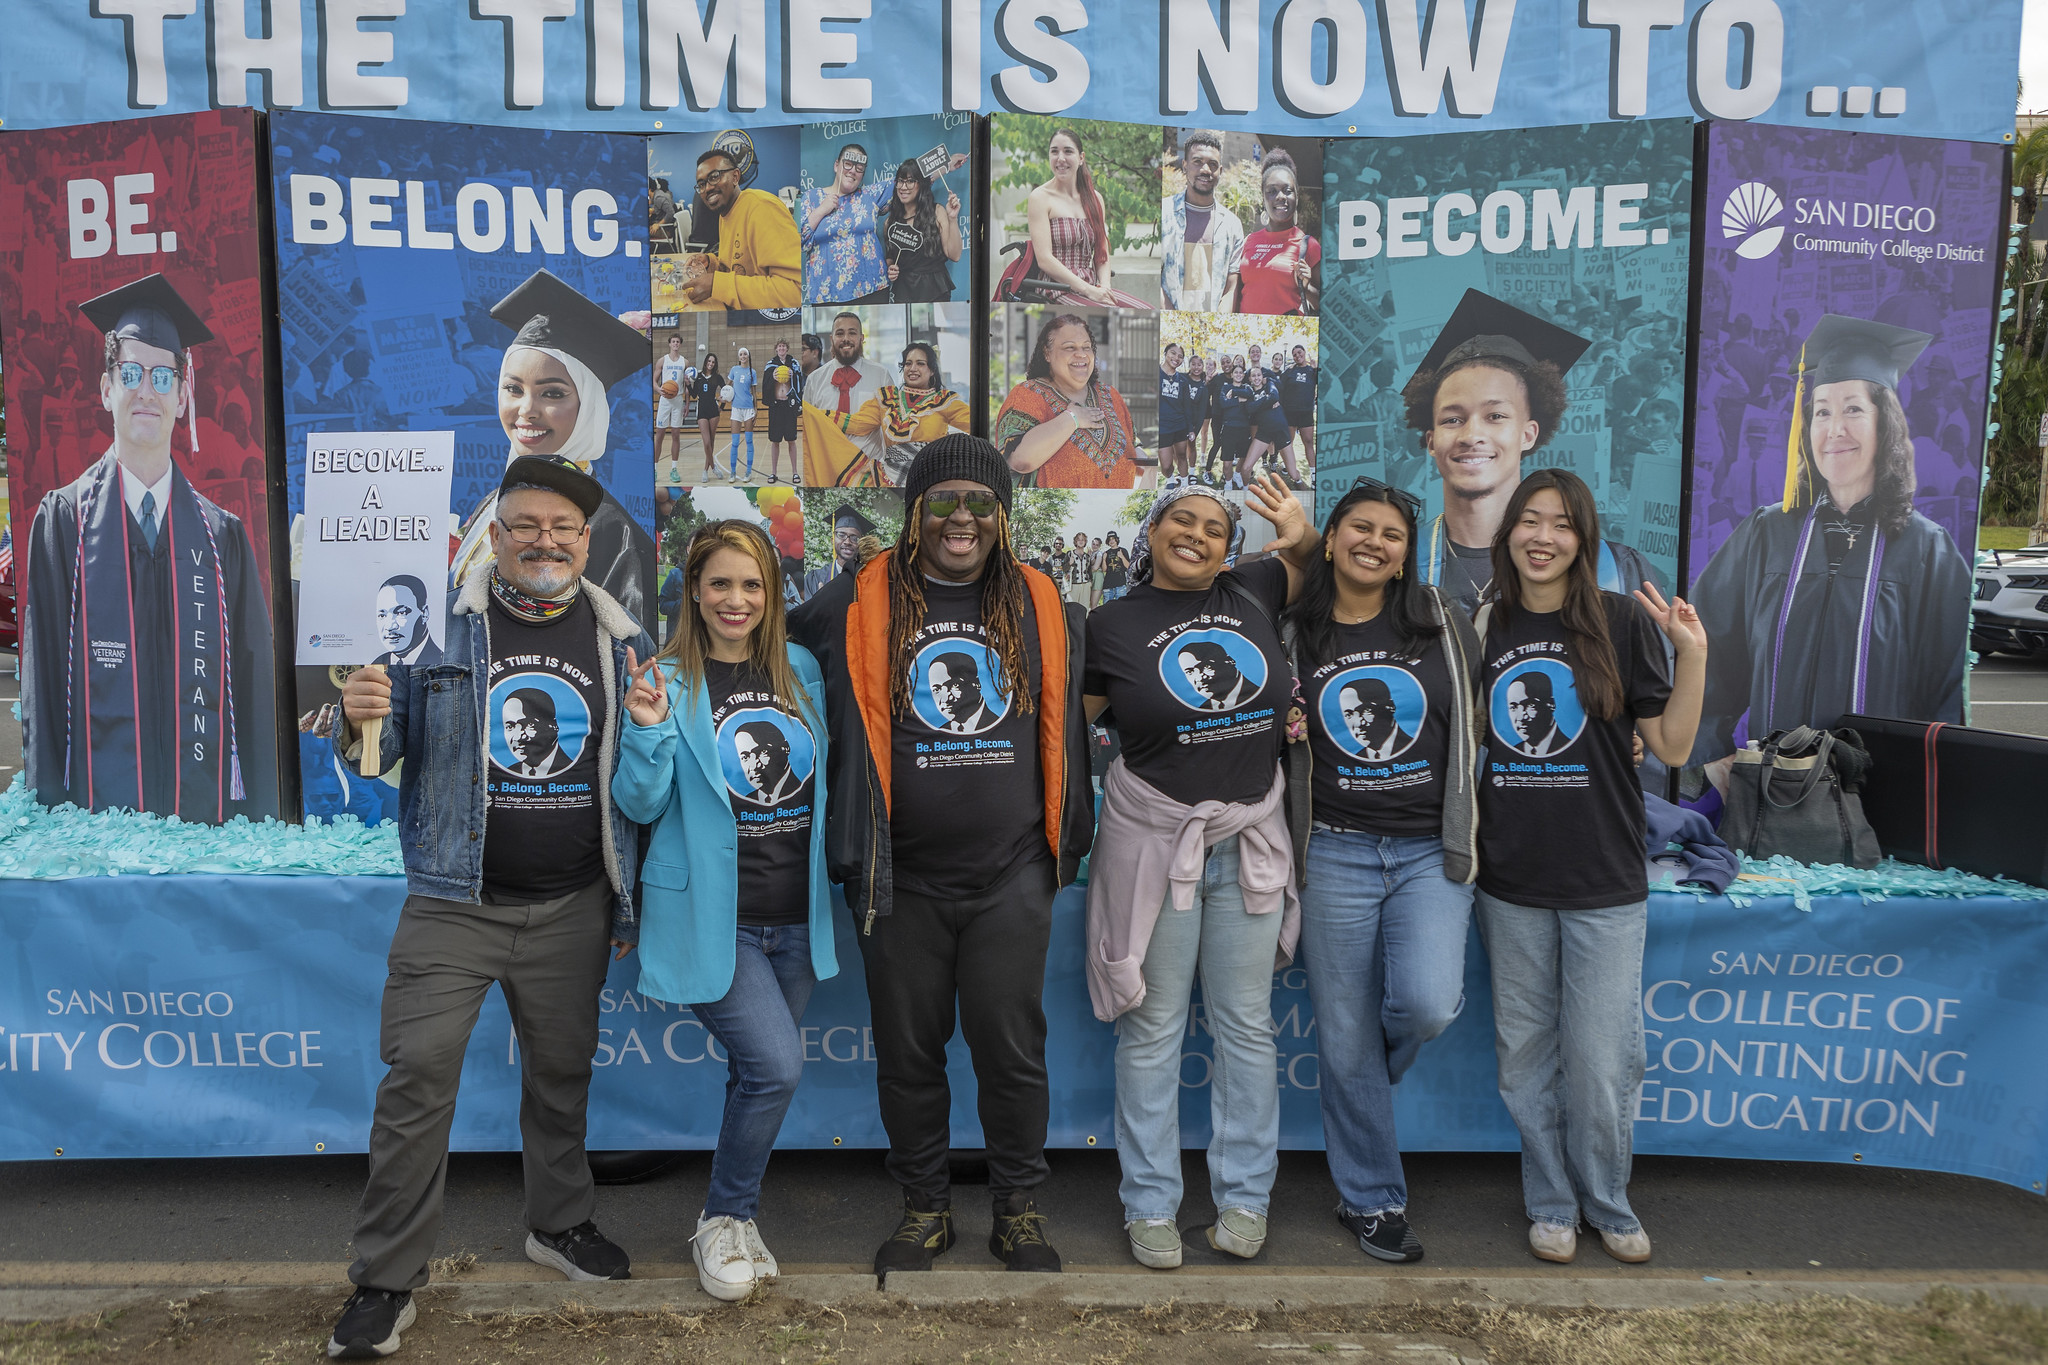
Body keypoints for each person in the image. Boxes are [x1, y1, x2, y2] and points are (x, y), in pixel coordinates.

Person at [325, 457, 652, 1360]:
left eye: (564, 528)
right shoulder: (436, 631)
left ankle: (560, 1223)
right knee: (417, 1076)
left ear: (586, 541)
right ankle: (386, 1280)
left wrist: (627, 902)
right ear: (494, 535)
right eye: (526, 526)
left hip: (575, 903)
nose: (545, 541)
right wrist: (358, 713)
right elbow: (379, 753)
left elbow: (638, 774)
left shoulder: (620, 636)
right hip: (453, 902)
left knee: (562, 1077)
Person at [788, 437, 1094, 1275]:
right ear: (916, 511)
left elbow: (1097, 703)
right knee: (909, 1053)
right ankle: (925, 1208)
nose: (964, 518)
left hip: (1011, 876)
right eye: (945, 501)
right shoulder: (859, 594)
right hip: (899, 876)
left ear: (1002, 515)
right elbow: (762, 655)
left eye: (981, 502)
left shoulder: (1041, 600)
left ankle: (1017, 1211)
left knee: (1010, 1051)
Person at [1081, 476, 1317, 1270]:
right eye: (1181, 520)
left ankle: (1245, 1198)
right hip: (1153, 843)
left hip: (1249, 840)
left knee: (1246, 1025)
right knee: (1151, 1027)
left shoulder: (1253, 585)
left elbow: (1312, 562)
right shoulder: (1109, 624)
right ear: (1152, 530)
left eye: (1215, 527)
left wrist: (1297, 528)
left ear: (1231, 546)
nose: (1197, 535)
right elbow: (1065, 727)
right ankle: (1149, 1205)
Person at [1473, 469, 1705, 1268]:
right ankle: (1551, 1201)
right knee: (1526, 1057)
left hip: (1605, 878)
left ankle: (1608, 1198)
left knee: (1604, 1058)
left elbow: (1670, 747)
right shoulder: (1482, 627)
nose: (1542, 536)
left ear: (1584, 537)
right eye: (1528, 520)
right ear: (1507, 535)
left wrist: (1693, 653)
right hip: (1509, 879)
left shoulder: (1616, 622)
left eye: (1561, 523)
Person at [611, 519, 834, 1303]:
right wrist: (643, 731)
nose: (735, 599)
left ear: (771, 592)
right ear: (694, 592)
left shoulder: (801, 669)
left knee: (755, 1072)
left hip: (796, 918)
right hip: (714, 917)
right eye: (719, 584)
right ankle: (722, 1217)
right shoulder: (667, 677)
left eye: (751, 584)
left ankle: (737, 1220)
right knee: (776, 1065)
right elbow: (640, 803)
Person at [1281, 477, 1483, 1265]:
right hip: (1333, 848)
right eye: (1359, 527)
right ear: (1330, 539)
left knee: (1425, 1003)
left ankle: (1367, 1069)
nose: (1375, 541)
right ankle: (1372, 1198)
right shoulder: (1295, 631)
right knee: (1343, 1032)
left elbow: (1479, 719)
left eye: (1392, 533)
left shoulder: (1443, 623)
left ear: (1406, 553)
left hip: (1431, 850)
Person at [21, 272, 278, 821]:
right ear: (106, 388)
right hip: (95, 847)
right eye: (131, 372)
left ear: (184, 397)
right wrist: (52, 838)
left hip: (204, 836)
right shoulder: (64, 523)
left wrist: (258, 829)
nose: (146, 391)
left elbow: (252, 705)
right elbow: (42, 699)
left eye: (163, 376)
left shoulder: (222, 538)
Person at [1687, 314, 1970, 765]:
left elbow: (1944, 699)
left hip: (1878, 807)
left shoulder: (1927, 550)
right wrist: (1710, 762)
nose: (1834, 428)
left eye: (1853, 408)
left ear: (1886, 422)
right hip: (1771, 801)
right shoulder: (1767, 533)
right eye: (1822, 411)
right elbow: (1707, 661)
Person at [1401, 290, 1663, 617]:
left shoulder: (1611, 571)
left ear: (1528, 434)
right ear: (1431, 441)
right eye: (1452, 419)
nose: (1471, 435)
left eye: (1495, 416)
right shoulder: (1398, 568)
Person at [448, 270, 659, 633]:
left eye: (553, 393)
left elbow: (622, 660)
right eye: (513, 389)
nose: (526, 409)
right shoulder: (492, 503)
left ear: (589, 406)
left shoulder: (609, 528)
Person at [994, 313, 1139, 488]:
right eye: (1070, 348)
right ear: (1047, 353)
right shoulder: (1028, 394)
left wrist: (1144, 459)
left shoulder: (1111, 395)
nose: (1081, 354)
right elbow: (1019, 461)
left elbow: (1133, 443)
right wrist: (1072, 419)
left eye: (1087, 347)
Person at [1022, 128, 1151, 308]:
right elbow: (1044, 259)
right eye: (1054, 151)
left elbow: (1102, 254)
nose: (1060, 158)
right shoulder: (1040, 198)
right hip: (1056, 288)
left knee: (1146, 310)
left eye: (1068, 151)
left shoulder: (1095, 198)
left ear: (1081, 158)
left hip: (1092, 286)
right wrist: (1089, 291)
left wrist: (1104, 288)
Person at [682, 148, 802, 312]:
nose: (707, 188)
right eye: (702, 184)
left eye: (714, 177)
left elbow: (795, 292)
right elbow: (739, 268)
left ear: (735, 177)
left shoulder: (762, 207)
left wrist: (717, 284)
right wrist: (711, 263)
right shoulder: (725, 213)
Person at [841, 341, 973, 488]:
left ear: (932, 370)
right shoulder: (887, 398)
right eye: (908, 364)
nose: (913, 369)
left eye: (920, 363)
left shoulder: (944, 401)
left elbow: (974, 425)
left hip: (930, 477)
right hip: (888, 478)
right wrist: (815, 416)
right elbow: (857, 424)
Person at [1162, 130, 1242, 312]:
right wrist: (1173, 321)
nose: (1205, 170)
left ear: (1220, 171)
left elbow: (1231, 288)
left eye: (1212, 164)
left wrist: (1217, 327)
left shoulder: (1232, 224)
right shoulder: (1164, 212)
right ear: (1185, 165)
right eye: (1197, 162)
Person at [804, 311, 896, 470]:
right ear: (831, 340)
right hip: (826, 470)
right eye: (840, 333)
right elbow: (807, 431)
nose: (846, 338)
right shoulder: (814, 380)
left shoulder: (881, 375)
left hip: (868, 471)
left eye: (852, 333)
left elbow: (893, 427)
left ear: (862, 338)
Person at [1234, 150, 1320, 316]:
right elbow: (1236, 295)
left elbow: (1328, 306)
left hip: (1286, 338)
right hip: (1246, 337)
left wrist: (1306, 287)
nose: (1280, 196)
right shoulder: (1248, 241)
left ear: (1297, 196)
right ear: (1263, 198)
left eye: (1287, 190)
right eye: (1272, 191)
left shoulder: (1308, 245)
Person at [884, 159, 966, 303]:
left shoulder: (937, 212)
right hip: (903, 290)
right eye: (900, 181)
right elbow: (890, 257)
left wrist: (952, 219)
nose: (903, 187)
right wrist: (891, 268)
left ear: (920, 185)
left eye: (910, 181)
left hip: (935, 289)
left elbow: (955, 255)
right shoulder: (890, 223)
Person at [1237, 366, 1301, 489]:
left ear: (1262, 377)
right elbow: (1250, 408)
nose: (1256, 378)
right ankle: (1245, 491)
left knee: (1293, 474)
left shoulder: (1269, 384)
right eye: (1253, 375)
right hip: (1264, 433)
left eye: (1259, 375)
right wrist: (1267, 401)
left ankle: (1299, 482)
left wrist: (1259, 404)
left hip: (1280, 431)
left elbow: (1275, 397)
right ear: (1249, 378)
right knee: (1245, 468)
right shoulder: (1249, 393)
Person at [802, 504, 875, 600]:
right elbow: (807, 613)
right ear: (833, 540)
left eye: (854, 538)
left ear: (860, 543)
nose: (847, 542)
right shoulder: (815, 578)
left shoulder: (868, 579)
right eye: (841, 535)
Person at [372, 575, 442, 668]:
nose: (390, 626)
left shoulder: (443, 661)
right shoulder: (375, 663)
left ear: (424, 614)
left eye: (401, 613)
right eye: (382, 615)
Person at [762, 340, 804, 484]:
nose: (781, 348)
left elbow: (800, 380)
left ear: (787, 349)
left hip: (789, 405)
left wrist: (794, 375)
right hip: (776, 406)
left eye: (784, 346)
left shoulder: (794, 363)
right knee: (775, 441)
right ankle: (773, 473)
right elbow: (765, 383)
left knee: (791, 440)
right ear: (776, 349)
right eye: (779, 346)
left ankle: (795, 472)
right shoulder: (770, 364)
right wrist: (772, 378)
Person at [656, 334, 695, 484]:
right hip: (665, 399)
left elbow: (687, 386)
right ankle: (654, 469)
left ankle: (674, 469)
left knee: (675, 435)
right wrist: (658, 390)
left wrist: (687, 404)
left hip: (678, 399)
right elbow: (653, 381)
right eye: (673, 342)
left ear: (680, 344)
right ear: (669, 344)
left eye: (678, 342)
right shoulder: (662, 360)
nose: (675, 344)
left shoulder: (685, 362)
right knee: (659, 435)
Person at [1158, 344, 1196, 483]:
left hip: (1180, 425)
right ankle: (1171, 479)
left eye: (1180, 356)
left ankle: (1184, 484)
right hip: (1162, 428)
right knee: (1166, 466)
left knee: (1181, 455)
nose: (1176, 358)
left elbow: (1187, 407)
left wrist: (1190, 428)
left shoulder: (1183, 381)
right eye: (1173, 353)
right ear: (1165, 353)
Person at [1280, 343, 1318, 475]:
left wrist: (1316, 369)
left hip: (1306, 413)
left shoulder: (1312, 370)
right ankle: (1287, 465)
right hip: (1290, 413)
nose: (1297, 356)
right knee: (1288, 442)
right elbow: (1280, 386)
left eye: (1299, 352)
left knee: (1308, 442)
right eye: (1294, 354)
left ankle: (1313, 473)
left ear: (1304, 352)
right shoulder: (1290, 371)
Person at [727, 346, 759, 482]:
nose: (743, 356)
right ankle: (733, 472)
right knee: (734, 442)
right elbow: (727, 387)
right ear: (739, 357)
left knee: (749, 440)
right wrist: (724, 398)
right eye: (741, 354)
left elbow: (754, 392)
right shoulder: (734, 370)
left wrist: (756, 409)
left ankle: (748, 472)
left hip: (748, 409)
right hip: (736, 409)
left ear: (748, 356)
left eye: (745, 354)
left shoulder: (752, 372)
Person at [694, 353, 725, 481]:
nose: (711, 363)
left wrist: (721, 406)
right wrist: (688, 384)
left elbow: (726, 391)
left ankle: (705, 471)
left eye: (713, 362)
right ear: (706, 361)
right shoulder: (698, 376)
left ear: (715, 364)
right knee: (706, 442)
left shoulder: (717, 377)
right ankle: (714, 467)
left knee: (711, 441)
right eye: (709, 361)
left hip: (713, 410)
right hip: (702, 410)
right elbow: (694, 394)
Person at [1099, 530, 1131, 603]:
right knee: (1107, 609)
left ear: (1116, 539)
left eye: (1113, 538)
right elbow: (1104, 570)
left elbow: (1128, 567)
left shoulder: (1123, 550)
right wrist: (1104, 559)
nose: (1111, 541)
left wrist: (1122, 557)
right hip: (1108, 585)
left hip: (1120, 585)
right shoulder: (1106, 553)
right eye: (1109, 539)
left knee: (1121, 608)